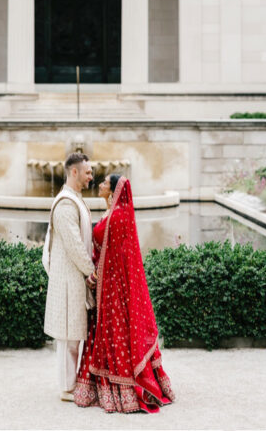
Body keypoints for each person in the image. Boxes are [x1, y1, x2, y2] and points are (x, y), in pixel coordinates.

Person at [73, 174, 174, 413]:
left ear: (114, 190)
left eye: (105, 183)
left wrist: (96, 277)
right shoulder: (111, 214)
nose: (100, 185)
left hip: (112, 288)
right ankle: (104, 387)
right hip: (105, 287)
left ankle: (122, 390)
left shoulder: (117, 217)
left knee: (114, 333)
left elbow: (117, 258)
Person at [42, 152, 97, 402]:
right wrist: (90, 270)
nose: (91, 176)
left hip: (74, 278)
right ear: (73, 172)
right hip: (68, 279)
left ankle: (70, 384)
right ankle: (66, 388)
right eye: (87, 172)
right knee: (68, 335)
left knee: (73, 334)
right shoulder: (66, 203)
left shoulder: (75, 199)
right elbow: (75, 245)